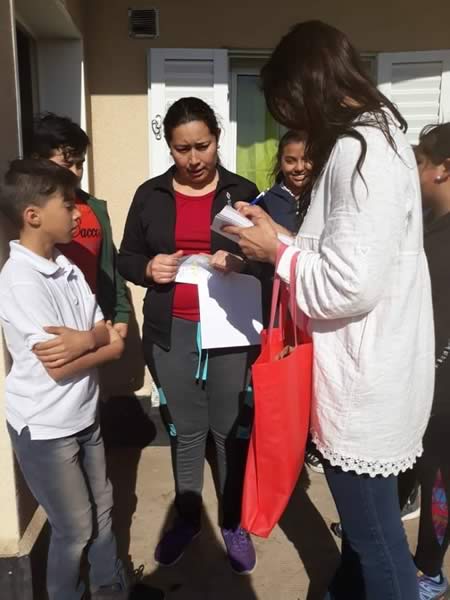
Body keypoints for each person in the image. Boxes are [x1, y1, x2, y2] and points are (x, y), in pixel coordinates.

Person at [224, 21, 434, 600]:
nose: (294, 121)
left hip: (364, 388)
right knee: (369, 538)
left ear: (312, 85)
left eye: (290, 105)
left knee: (377, 544)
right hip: (385, 370)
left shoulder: (356, 150)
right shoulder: (384, 136)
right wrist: (281, 238)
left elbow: (348, 284)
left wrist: (276, 254)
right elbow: (351, 251)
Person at [118, 97, 261, 574]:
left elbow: (268, 256)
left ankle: (232, 521)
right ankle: (187, 516)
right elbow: (126, 257)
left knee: (227, 426)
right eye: (182, 149)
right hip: (172, 329)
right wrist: (147, 267)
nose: (194, 159)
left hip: (229, 329)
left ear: (218, 139)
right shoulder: (151, 194)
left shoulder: (243, 190)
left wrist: (245, 261)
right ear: (169, 147)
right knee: (186, 428)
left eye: (203, 146)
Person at [0, 159, 132, 600]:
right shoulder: (19, 280)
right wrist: (91, 343)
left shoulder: (67, 266)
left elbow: (113, 342)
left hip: (84, 414)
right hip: (46, 428)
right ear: (33, 215)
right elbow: (56, 366)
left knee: (104, 508)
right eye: (68, 204)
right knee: (74, 528)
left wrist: (86, 339)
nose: (78, 214)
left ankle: (109, 587)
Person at [399, 123, 450, 600]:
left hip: (443, 389)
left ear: (442, 170)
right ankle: (382, 540)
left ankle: (430, 572)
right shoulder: (429, 226)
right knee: (415, 468)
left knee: (438, 477)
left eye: (418, 164)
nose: (411, 173)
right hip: (423, 381)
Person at [31, 113, 131, 338]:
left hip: (95, 323)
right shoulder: (30, 213)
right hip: (50, 325)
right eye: (67, 164)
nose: (75, 173)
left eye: (80, 164)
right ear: (38, 160)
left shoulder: (94, 208)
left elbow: (110, 265)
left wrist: (121, 313)